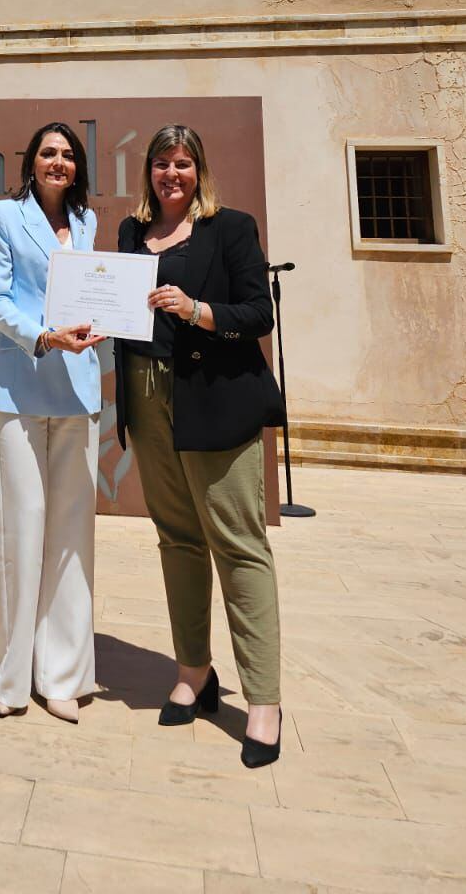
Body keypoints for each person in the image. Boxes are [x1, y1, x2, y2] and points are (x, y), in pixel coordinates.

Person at [113, 123, 286, 768]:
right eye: (162, 164)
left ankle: (263, 700)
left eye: (183, 163)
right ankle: (194, 670)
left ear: (199, 169)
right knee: (177, 539)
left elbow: (256, 313)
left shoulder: (231, 228)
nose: (172, 175)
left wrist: (195, 309)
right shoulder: (132, 233)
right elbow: (120, 308)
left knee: (239, 544)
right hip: (147, 397)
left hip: (214, 400)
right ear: (149, 174)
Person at [0, 121, 102, 723]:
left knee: (72, 539)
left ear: (78, 166)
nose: (59, 162)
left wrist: (98, 324)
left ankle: (62, 676)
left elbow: (92, 294)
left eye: (68, 155)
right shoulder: (0, 215)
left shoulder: (88, 223)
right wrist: (45, 336)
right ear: (31, 163)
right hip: (20, 386)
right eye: (49, 153)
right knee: (22, 532)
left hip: (79, 390)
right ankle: (12, 677)